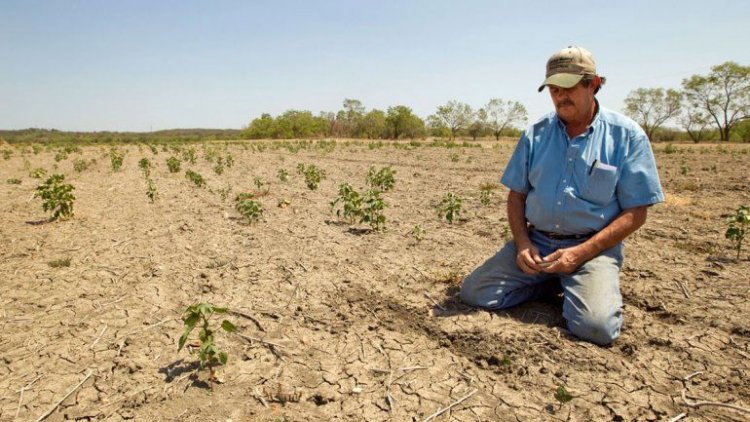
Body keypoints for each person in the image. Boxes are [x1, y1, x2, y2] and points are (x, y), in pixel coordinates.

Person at [460, 46, 664, 346]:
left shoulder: (626, 135)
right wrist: (523, 244)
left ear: (593, 84)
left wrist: (579, 254)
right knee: (474, 293)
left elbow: (637, 212)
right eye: (553, 89)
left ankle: (578, 283)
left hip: (591, 249)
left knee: (596, 328)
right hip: (538, 243)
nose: (560, 96)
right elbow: (516, 195)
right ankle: (549, 280)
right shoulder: (535, 134)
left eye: (568, 87)